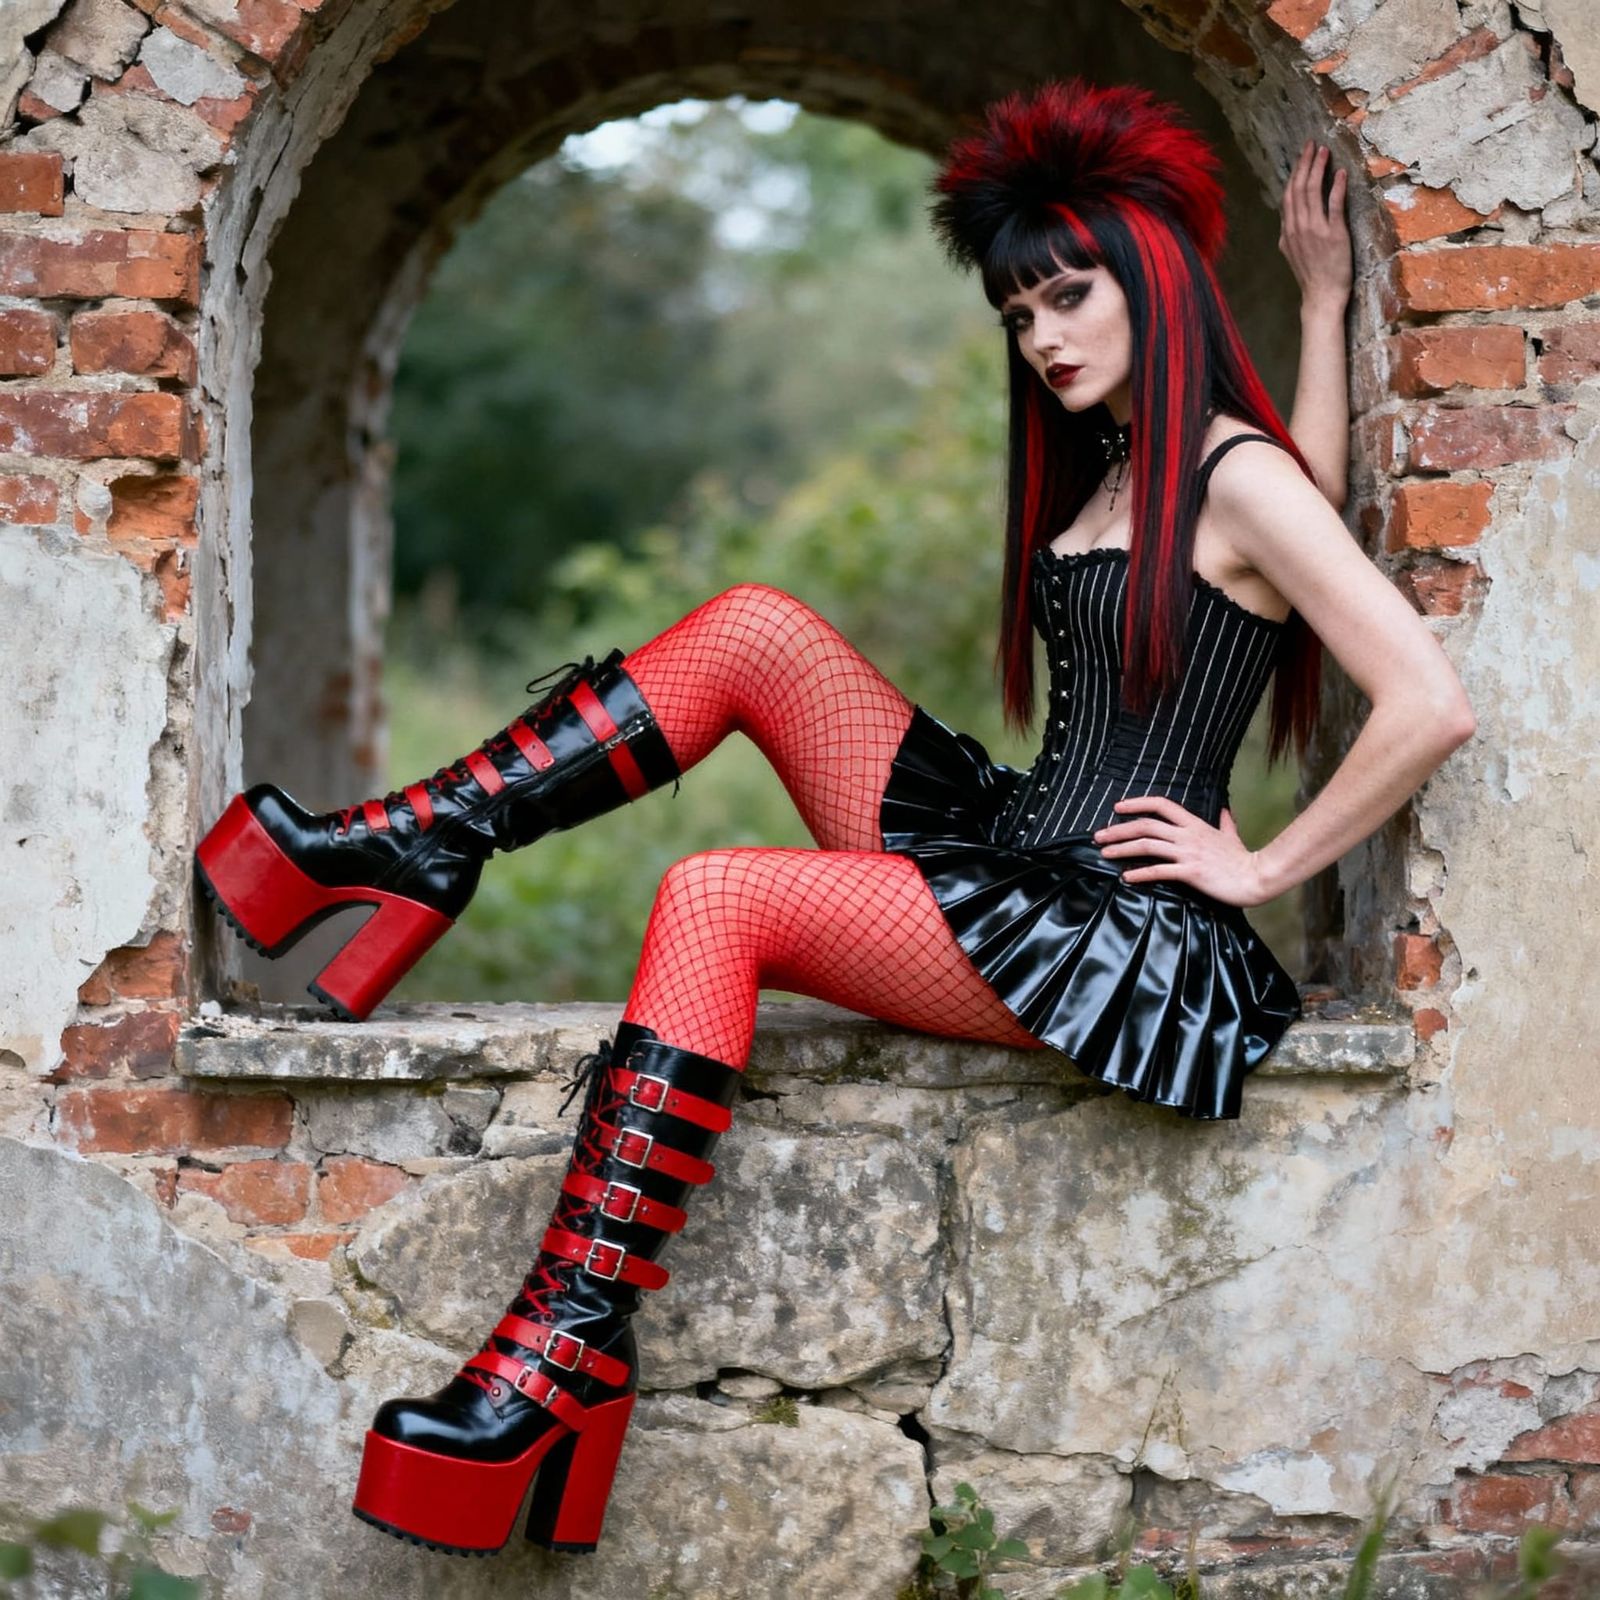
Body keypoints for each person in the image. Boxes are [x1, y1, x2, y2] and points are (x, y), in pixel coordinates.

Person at [193, 78, 1474, 1557]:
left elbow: (1425, 697)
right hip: (1021, 859)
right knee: (753, 628)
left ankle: (558, 1353)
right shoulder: (1164, 460)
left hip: (1113, 930)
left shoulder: (1231, 476)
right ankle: (418, 842)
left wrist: (1259, 862)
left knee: (718, 897)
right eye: (1020, 314)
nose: (1045, 336)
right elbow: (1293, 489)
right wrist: (1320, 312)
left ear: (1157, 286)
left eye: (1070, 297)